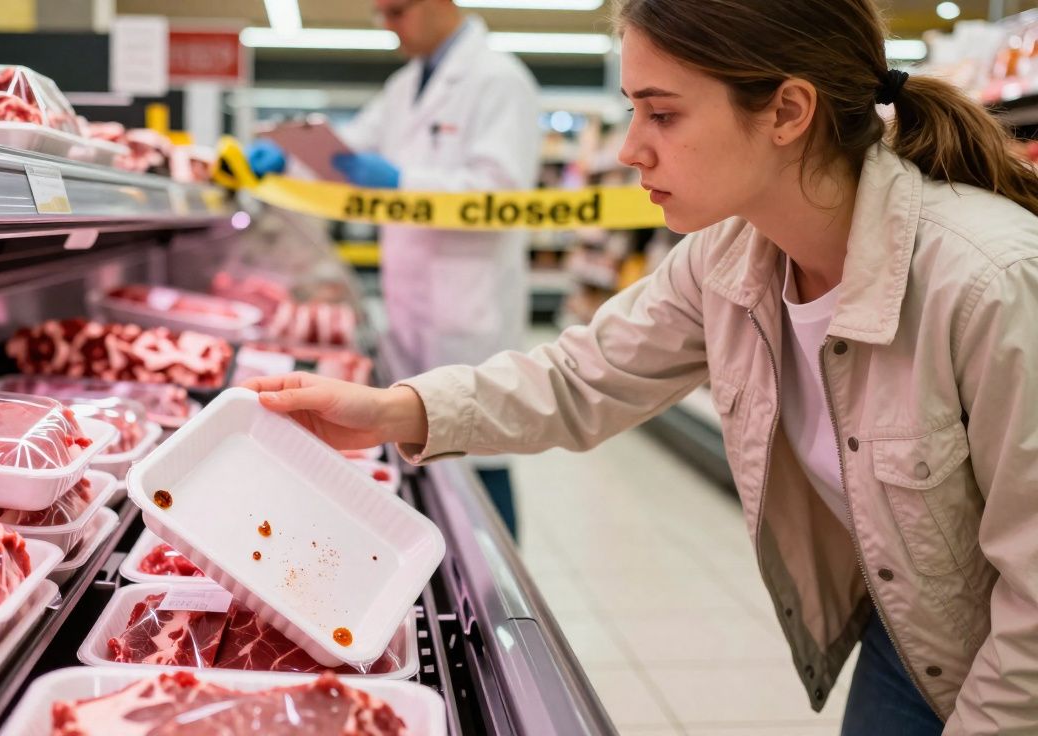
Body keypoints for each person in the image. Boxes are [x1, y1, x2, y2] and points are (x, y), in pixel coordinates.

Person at [242, 0, 1038, 733]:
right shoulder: (731, 258)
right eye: (632, 112)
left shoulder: (991, 284)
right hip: (915, 638)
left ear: (789, 111)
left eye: (662, 113)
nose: (628, 149)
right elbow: (581, 375)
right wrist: (391, 411)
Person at [247, 0, 541, 538]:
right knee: (426, 452)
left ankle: (501, 595)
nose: (387, 27)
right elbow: (350, 146)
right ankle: (432, 559)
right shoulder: (406, 84)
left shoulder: (499, 79)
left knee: (480, 454)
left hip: (467, 305)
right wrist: (284, 158)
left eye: (396, 12)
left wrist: (402, 180)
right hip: (411, 300)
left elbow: (504, 192)